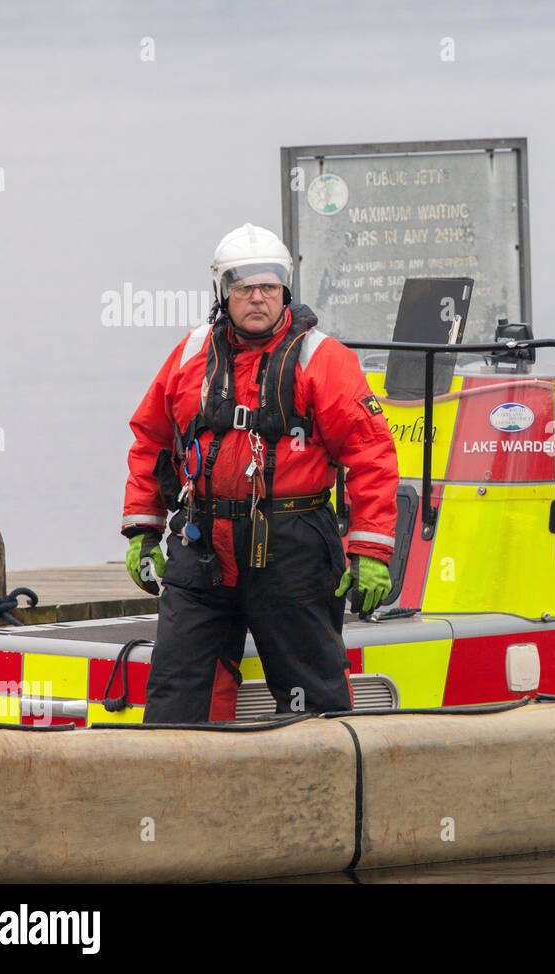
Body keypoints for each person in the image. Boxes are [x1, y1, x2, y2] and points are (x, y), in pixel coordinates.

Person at [121, 223, 399, 722]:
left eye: (268, 287)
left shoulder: (324, 360)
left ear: (285, 291)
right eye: (243, 287)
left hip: (291, 548)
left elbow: (371, 455)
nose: (257, 298)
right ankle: (181, 795)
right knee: (176, 700)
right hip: (200, 544)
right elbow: (151, 439)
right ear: (222, 292)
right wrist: (143, 530)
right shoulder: (190, 355)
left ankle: (321, 794)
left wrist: (371, 550)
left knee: (312, 701)